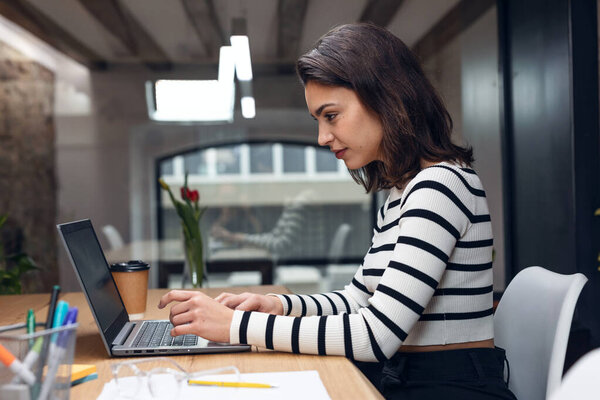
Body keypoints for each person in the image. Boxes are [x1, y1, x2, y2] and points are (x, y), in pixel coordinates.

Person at [158, 23, 517, 399]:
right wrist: (278, 306)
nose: (322, 137)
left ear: (384, 97)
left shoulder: (440, 186)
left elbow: (375, 336)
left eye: (331, 116)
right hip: (406, 377)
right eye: (318, 121)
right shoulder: (403, 191)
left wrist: (238, 325)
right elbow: (358, 300)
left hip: (448, 387)